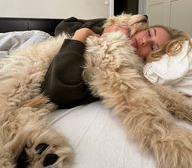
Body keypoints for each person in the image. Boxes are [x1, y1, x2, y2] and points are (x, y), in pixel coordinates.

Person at [41, 17, 170, 108]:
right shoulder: (117, 25)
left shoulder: (118, 65)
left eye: (153, 47)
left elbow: (56, 90)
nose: (144, 41)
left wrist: (83, 34)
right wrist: (102, 31)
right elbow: (61, 27)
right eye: (148, 33)